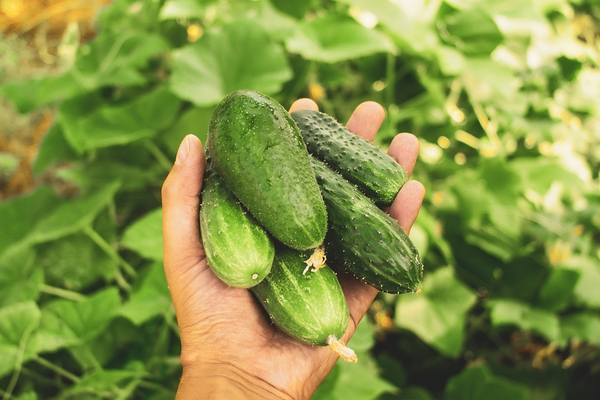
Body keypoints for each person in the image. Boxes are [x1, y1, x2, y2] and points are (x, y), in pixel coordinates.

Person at [161, 98, 425, 399]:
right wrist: (232, 371)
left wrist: (229, 373)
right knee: (302, 222)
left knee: (310, 218)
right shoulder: (264, 210)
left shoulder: (299, 218)